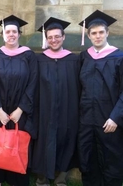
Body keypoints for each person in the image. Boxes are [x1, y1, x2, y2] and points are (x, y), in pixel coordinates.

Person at [0, 15, 38, 186]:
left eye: (14, 31)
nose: (11, 34)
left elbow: (32, 83)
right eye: (8, 31)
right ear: (3, 34)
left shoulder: (29, 56)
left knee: (18, 145)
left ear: (19, 34)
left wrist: (21, 109)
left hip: (19, 112)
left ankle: (17, 180)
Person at [31, 17, 80, 186]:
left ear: (63, 37)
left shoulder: (74, 60)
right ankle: (42, 179)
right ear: (46, 39)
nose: (54, 40)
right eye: (50, 37)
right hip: (43, 111)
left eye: (57, 36)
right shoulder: (38, 60)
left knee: (66, 140)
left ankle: (61, 179)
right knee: (42, 143)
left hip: (67, 111)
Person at [78, 10, 123, 186]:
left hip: (109, 119)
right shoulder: (84, 57)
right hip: (87, 119)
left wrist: (115, 117)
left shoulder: (119, 57)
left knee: (111, 158)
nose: (97, 36)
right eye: (94, 33)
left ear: (107, 33)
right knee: (88, 157)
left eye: (101, 32)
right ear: (88, 35)